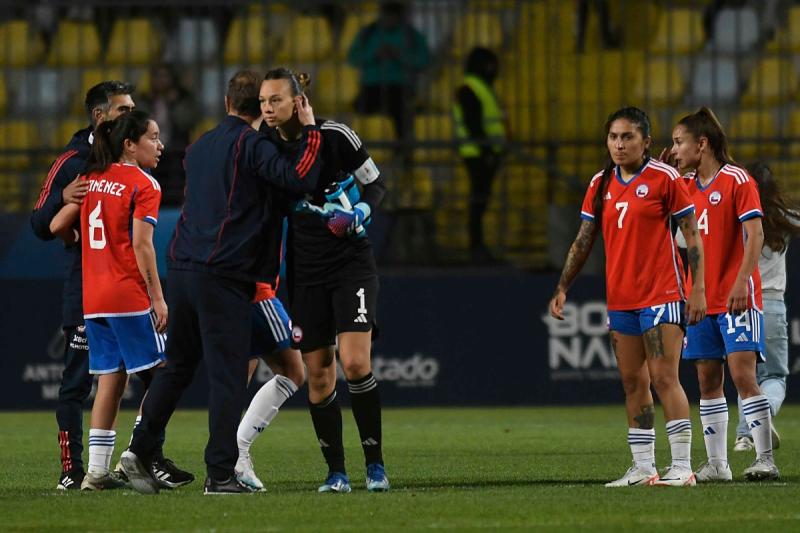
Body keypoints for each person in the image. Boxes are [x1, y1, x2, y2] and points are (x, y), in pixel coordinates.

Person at [119, 70, 322, 495]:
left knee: (177, 366)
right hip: (224, 274)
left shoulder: (200, 146)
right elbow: (299, 180)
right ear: (258, 106)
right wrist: (310, 131)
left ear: (228, 103)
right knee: (228, 376)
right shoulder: (252, 145)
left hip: (183, 267)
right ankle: (221, 474)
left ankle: (140, 448)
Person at [549, 106, 705, 488]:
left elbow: (692, 235)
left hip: (662, 293)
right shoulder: (600, 183)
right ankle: (643, 467)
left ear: (646, 142)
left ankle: (682, 466)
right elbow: (584, 239)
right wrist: (563, 286)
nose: (619, 145)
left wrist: (698, 288)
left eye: (628, 137)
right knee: (633, 383)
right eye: (613, 137)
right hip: (621, 299)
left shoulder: (665, 178)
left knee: (664, 377)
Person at [256, 68, 389, 493]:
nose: (268, 109)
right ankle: (336, 473)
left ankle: (375, 466)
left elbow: (376, 185)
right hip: (306, 272)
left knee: (356, 363)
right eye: (263, 102)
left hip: (351, 263)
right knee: (318, 376)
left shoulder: (336, 136)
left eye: (276, 100)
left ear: (298, 101)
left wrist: (359, 213)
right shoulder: (264, 147)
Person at [48, 110, 169, 490]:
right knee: (166, 374)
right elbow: (142, 245)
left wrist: (77, 240)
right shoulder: (143, 183)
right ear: (130, 145)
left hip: (93, 298)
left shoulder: (92, 178)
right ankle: (139, 453)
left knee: (111, 379)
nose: (160, 145)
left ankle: (97, 472)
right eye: (153, 137)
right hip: (127, 295)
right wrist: (158, 297)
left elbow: (56, 225)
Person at [668, 108, 778, 482]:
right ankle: (718, 464)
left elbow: (756, 235)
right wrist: (665, 168)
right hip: (700, 300)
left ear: (702, 143)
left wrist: (741, 282)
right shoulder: (682, 185)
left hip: (736, 296)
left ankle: (765, 458)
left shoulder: (737, 180)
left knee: (743, 375)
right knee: (706, 379)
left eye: (679, 142)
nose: (675, 150)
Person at [733, 163, 799, 451]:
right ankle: (763, 415)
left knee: (745, 374)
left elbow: (684, 239)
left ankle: (744, 436)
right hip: (771, 303)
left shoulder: (734, 217)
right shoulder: (784, 218)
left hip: (740, 302)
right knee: (773, 376)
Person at [347, 1, 431, 148]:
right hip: (372, 87)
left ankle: (401, 150)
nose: (388, 20)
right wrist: (374, 55)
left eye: (392, 16)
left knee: (400, 112)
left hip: (400, 86)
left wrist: (400, 55)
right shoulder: (369, 32)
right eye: (386, 16)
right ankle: (358, 151)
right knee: (359, 109)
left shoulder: (411, 35)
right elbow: (353, 57)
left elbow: (425, 60)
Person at [453, 47, 507, 262]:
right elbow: (473, 124)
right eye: (491, 65)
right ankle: (476, 247)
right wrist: (487, 151)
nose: (494, 69)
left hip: (484, 152)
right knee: (478, 200)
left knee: (481, 200)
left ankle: (478, 246)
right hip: (477, 154)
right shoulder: (470, 88)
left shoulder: (480, 87)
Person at [138, 63, 199, 205]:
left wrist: (173, 104)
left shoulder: (183, 98)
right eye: (158, 76)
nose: (161, 80)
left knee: (175, 193)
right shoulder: (146, 99)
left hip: (176, 154)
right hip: (151, 153)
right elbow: (138, 123)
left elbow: (187, 121)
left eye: (165, 76)